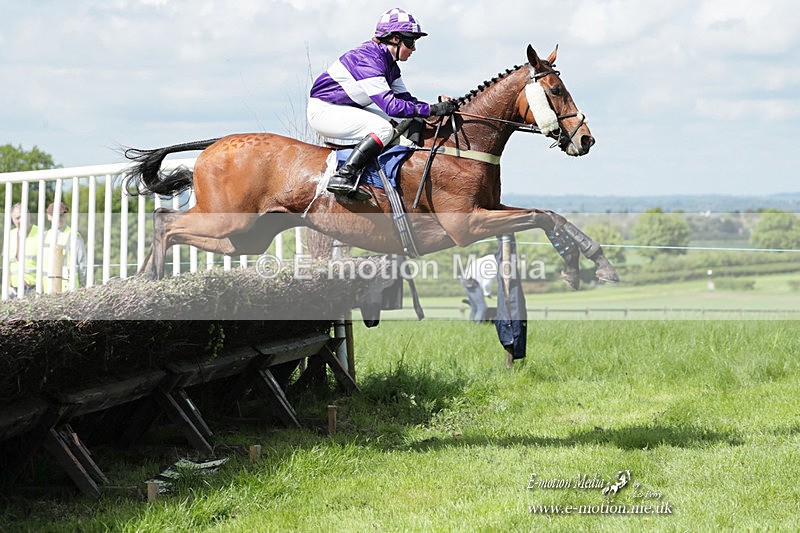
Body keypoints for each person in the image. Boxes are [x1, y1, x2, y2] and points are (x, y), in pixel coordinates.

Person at [307, 7, 457, 201]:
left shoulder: (389, 64)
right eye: (411, 41)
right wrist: (431, 110)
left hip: (345, 108)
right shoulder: (368, 60)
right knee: (383, 129)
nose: (414, 49)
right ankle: (344, 176)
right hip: (324, 111)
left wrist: (437, 109)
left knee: (408, 122)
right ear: (394, 39)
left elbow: (407, 102)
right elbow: (392, 107)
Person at [43, 202, 87, 293]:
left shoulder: (74, 236)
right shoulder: (44, 236)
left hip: (69, 290)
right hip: (47, 290)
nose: (59, 218)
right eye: (56, 215)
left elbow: (83, 264)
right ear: (49, 216)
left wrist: (83, 286)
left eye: (61, 215)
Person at [5, 203, 39, 297]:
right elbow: (7, 263)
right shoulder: (9, 236)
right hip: (14, 291)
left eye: (23, 216)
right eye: (17, 218)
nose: (21, 220)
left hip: (36, 288)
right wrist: (7, 286)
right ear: (12, 220)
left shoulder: (41, 234)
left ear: (29, 215)